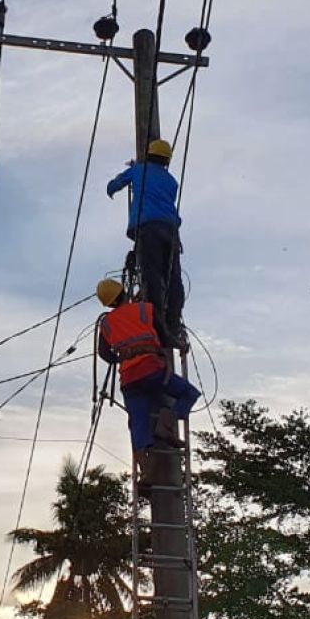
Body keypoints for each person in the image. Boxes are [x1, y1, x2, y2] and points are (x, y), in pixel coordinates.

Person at [94, 278, 200, 458]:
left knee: (138, 424)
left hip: (129, 380)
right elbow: (165, 337)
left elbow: (104, 354)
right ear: (124, 292)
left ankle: (146, 471)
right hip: (152, 371)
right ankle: (165, 426)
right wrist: (180, 344)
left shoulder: (106, 323)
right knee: (189, 393)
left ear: (108, 303)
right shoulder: (144, 309)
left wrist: (124, 358)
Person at [106, 138, 186, 350]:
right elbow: (159, 192)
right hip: (170, 230)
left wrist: (112, 187)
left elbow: (117, 184)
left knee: (152, 279)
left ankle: (157, 327)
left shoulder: (139, 170)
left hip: (148, 229)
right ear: (166, 160)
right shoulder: (171, 181)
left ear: (148, 155)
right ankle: (173, 323)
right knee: (172, 279)